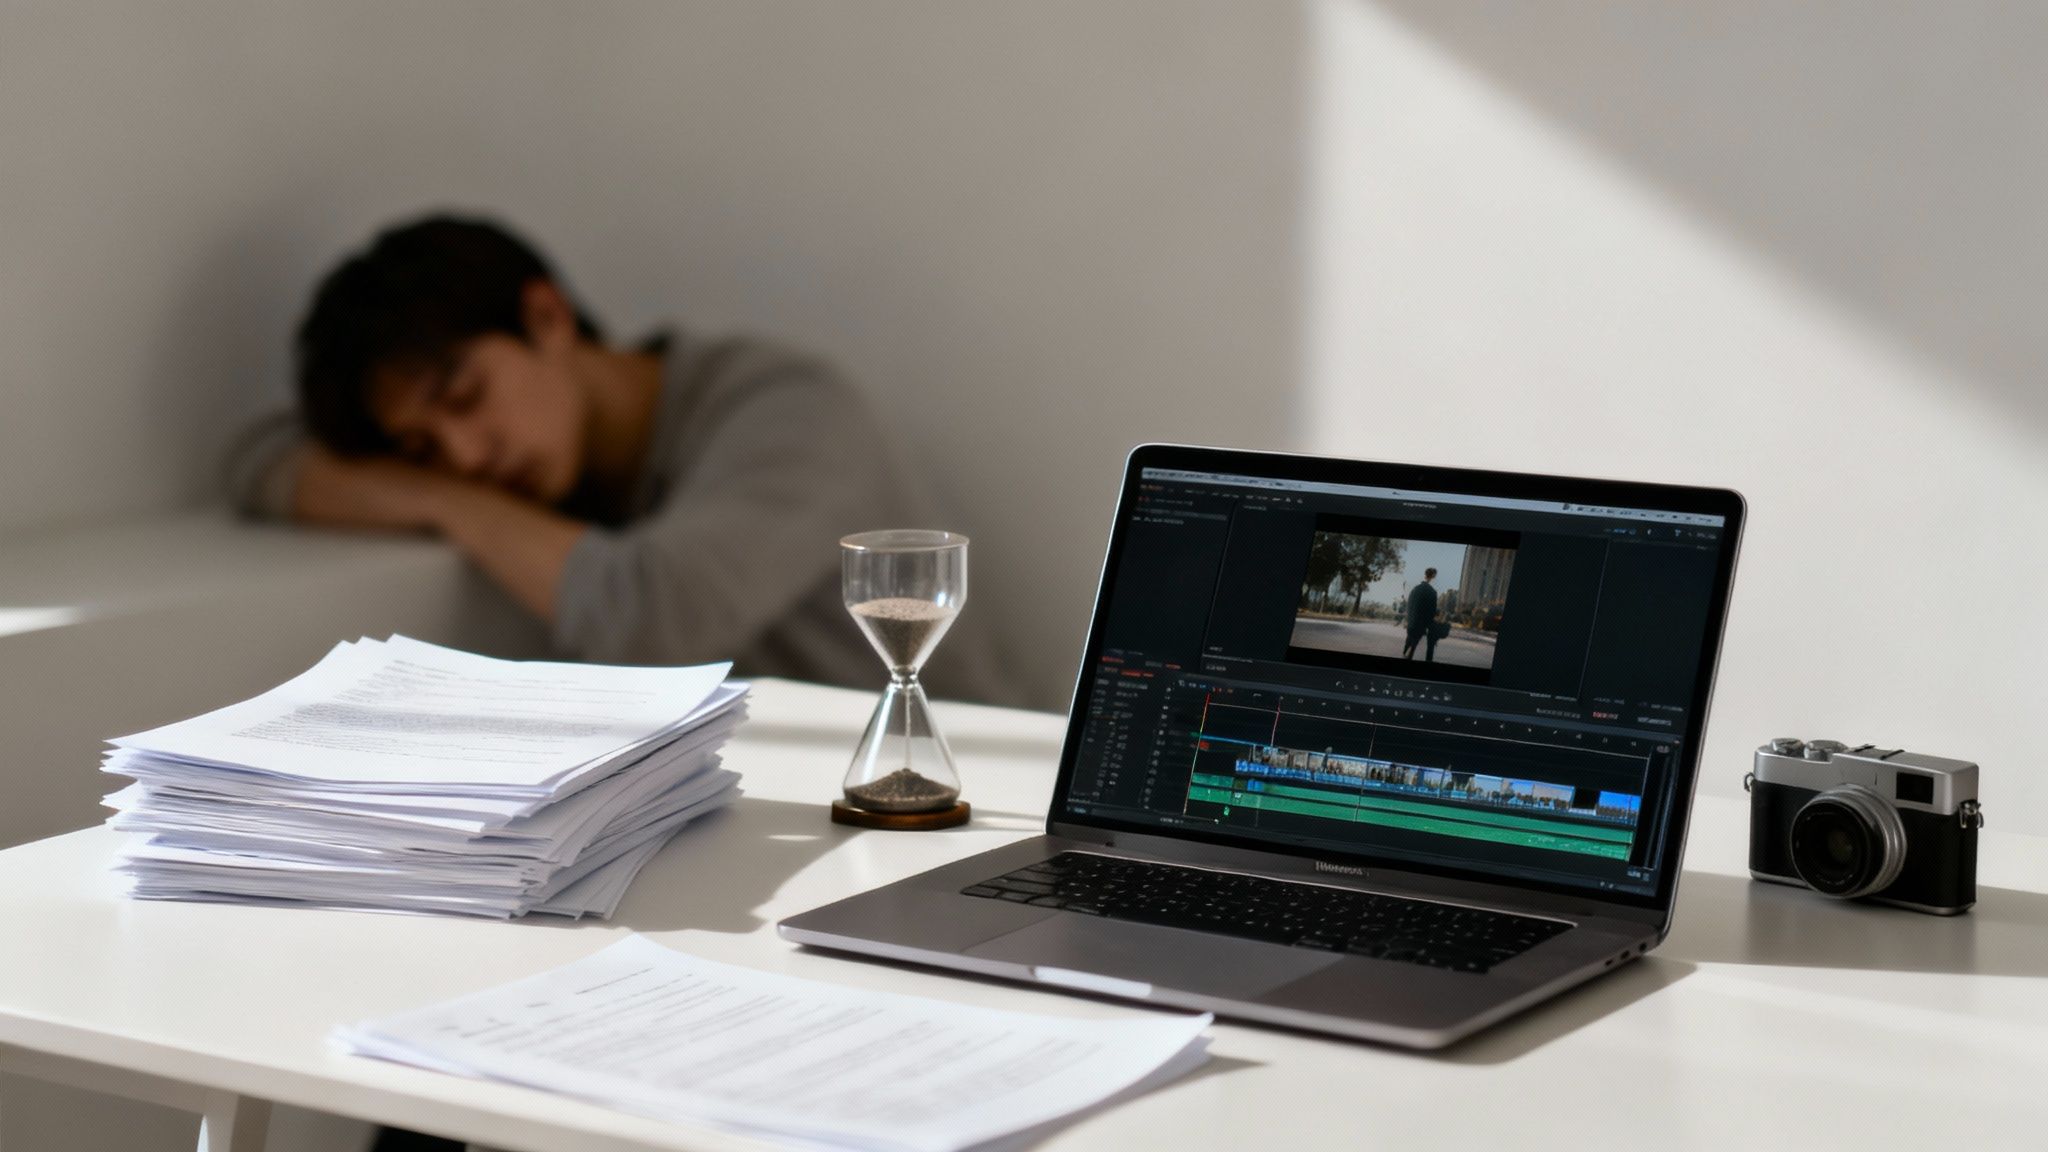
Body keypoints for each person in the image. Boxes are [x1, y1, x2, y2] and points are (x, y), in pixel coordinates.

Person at [227, 213, 1010, 703]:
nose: (463, 455)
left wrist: (445, 501)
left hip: (965, 808)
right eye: (423, 451)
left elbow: (658, 617)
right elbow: (259, 458)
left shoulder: (791, 408)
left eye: (465, 397)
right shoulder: (548, 471)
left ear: (546, 315)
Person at [1402, 568, 1439, 662]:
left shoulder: (1415, 589)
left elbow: (1409, 605)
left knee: (1409, 641)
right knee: (1413, 646)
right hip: (1421, 624)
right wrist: (1429, 625)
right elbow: (1432, 611)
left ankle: (1404, 654)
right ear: (1433, 576)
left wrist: (1408, 619)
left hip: (1411, 622)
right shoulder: (1432, 592)